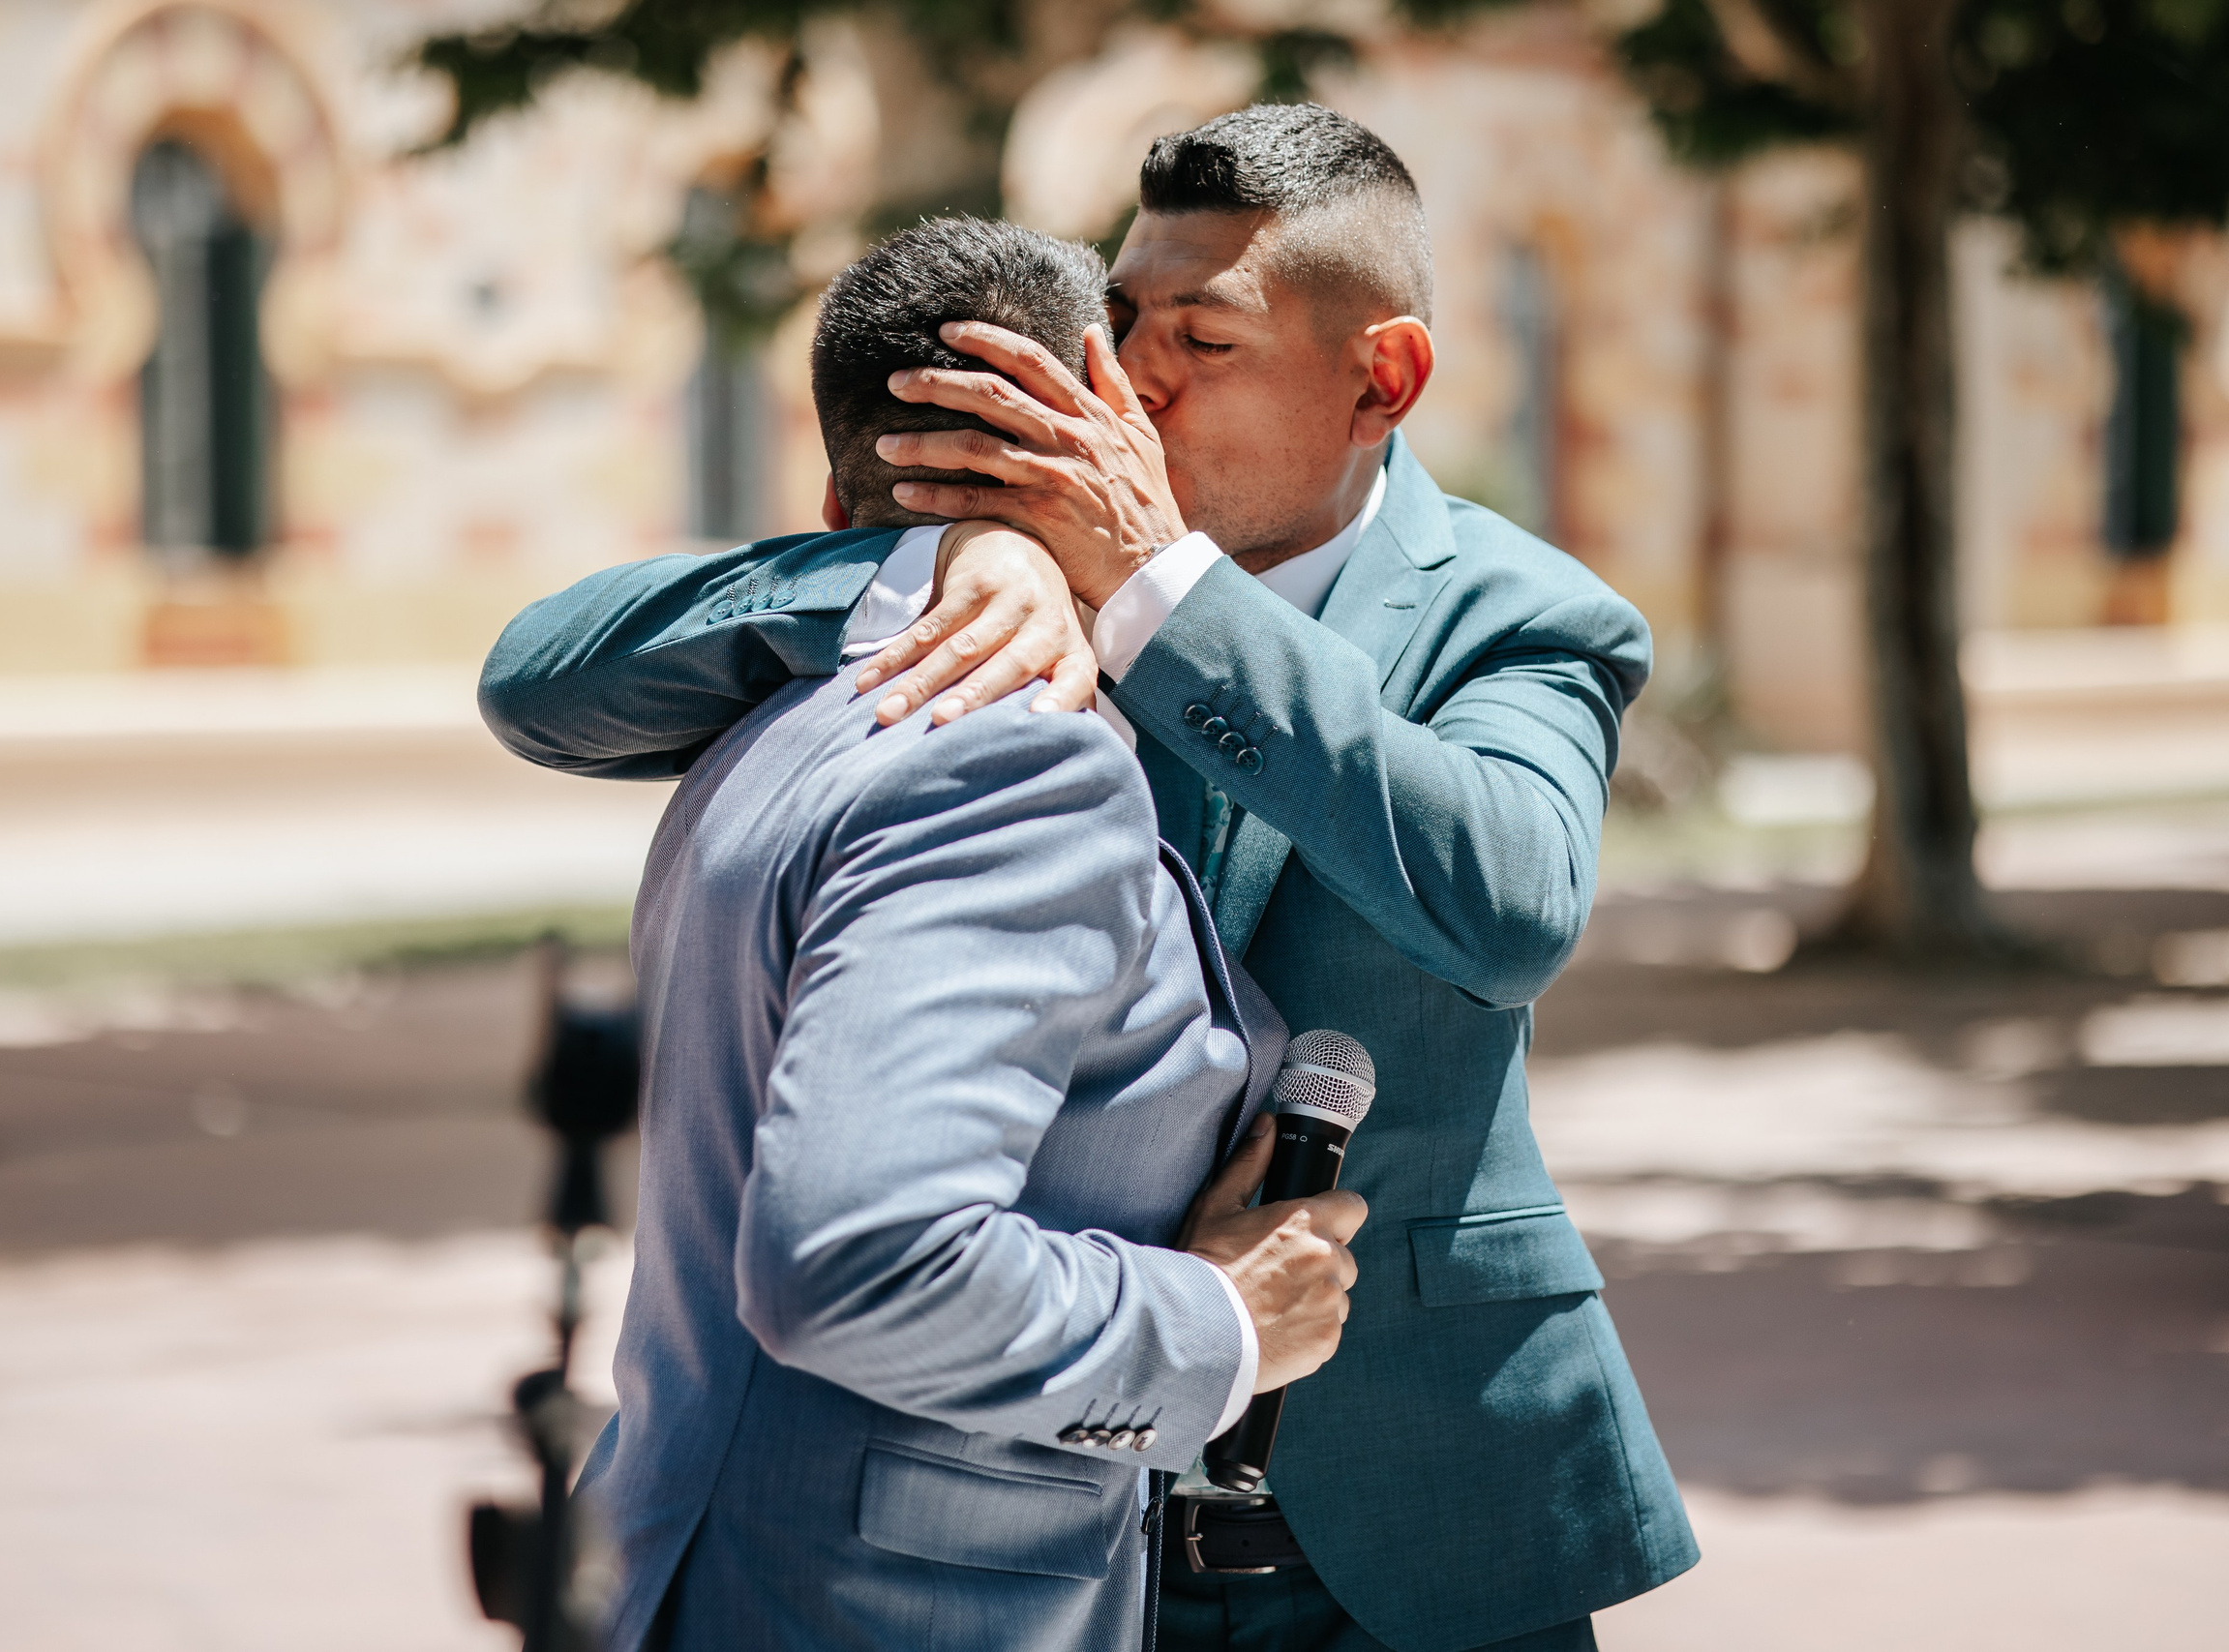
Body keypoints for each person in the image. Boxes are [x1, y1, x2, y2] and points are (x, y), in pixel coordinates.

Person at [479, 105, 1701, 1651]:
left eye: (1204, 336)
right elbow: (544, 684)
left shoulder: (1523, 615)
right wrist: (928, 563)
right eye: (1122, 321)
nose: (1135, 378)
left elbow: (1508, 905)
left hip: (1411, 1521)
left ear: (1379, 379)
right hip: (1050, 1505)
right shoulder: (1017, 577)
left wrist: (1163, 596)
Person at [484, 217, 1368, 1652]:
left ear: (833, 506)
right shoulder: (1015, 760)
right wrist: (1217, 1328)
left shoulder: (766, 731)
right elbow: (856, 1255)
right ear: (1111, 440)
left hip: (690, 1562)